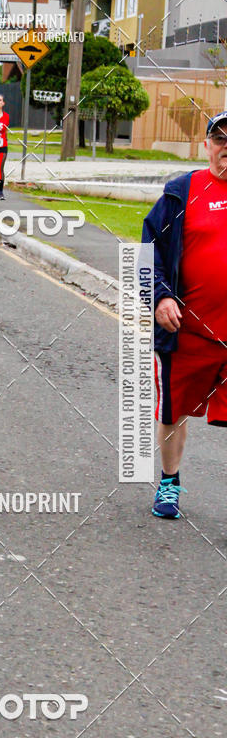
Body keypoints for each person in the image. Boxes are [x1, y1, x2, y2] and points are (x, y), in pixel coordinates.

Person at [142, 111, 227, 519]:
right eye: (220, 138)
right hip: (188, 333)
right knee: (173, 411)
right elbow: (148, 252)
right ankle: (169, 482)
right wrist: (159, 298)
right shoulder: (182, 192)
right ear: (207, 145)